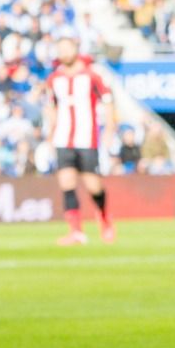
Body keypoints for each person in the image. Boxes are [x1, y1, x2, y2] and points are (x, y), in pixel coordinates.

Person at [45, 38, 117, 246]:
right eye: (60, 50)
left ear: (76, 50)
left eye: (67, 49)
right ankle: (76, 232)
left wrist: (110, 129)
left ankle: (104, 218)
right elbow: (52, 106)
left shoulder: (92, 75)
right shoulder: (54, 79)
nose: (64, 53)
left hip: (87, 138)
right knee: (66, 182)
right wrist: (51, 133)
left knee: (93, 185)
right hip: (63, 138)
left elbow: (108, 100)